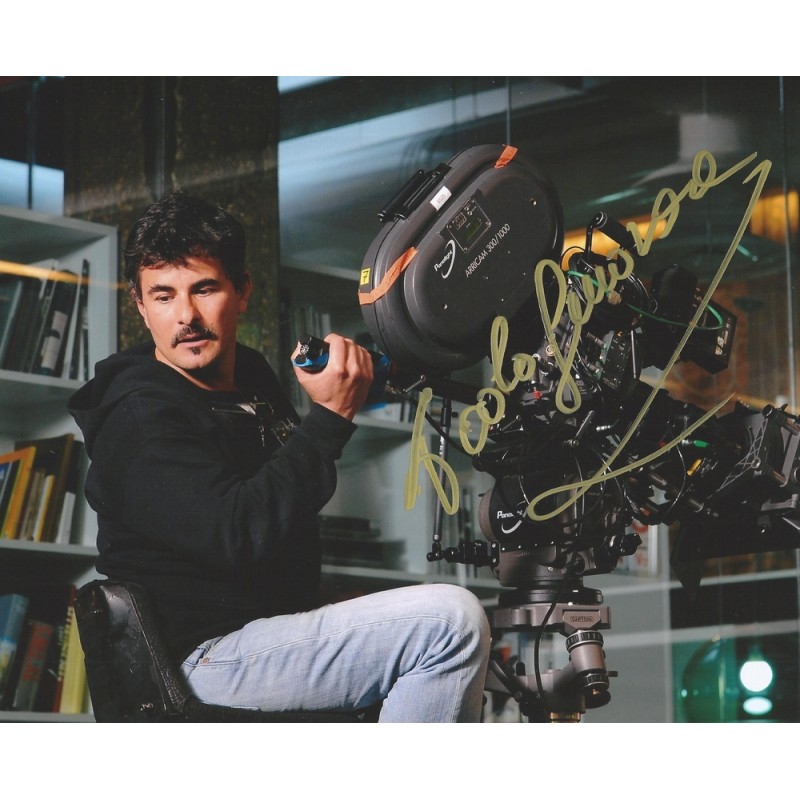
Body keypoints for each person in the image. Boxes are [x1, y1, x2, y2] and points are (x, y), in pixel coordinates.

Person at [68, 191, 491, 722]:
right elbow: (238, 532)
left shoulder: (247, 377)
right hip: (195, 660)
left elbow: (285, 501)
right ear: (140, 305)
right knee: (449, 624)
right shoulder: (138, 414)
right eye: (163, 296)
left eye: (204, 288)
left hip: (266, 632)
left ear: (242, 291)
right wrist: (330, 417)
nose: (186, 316)